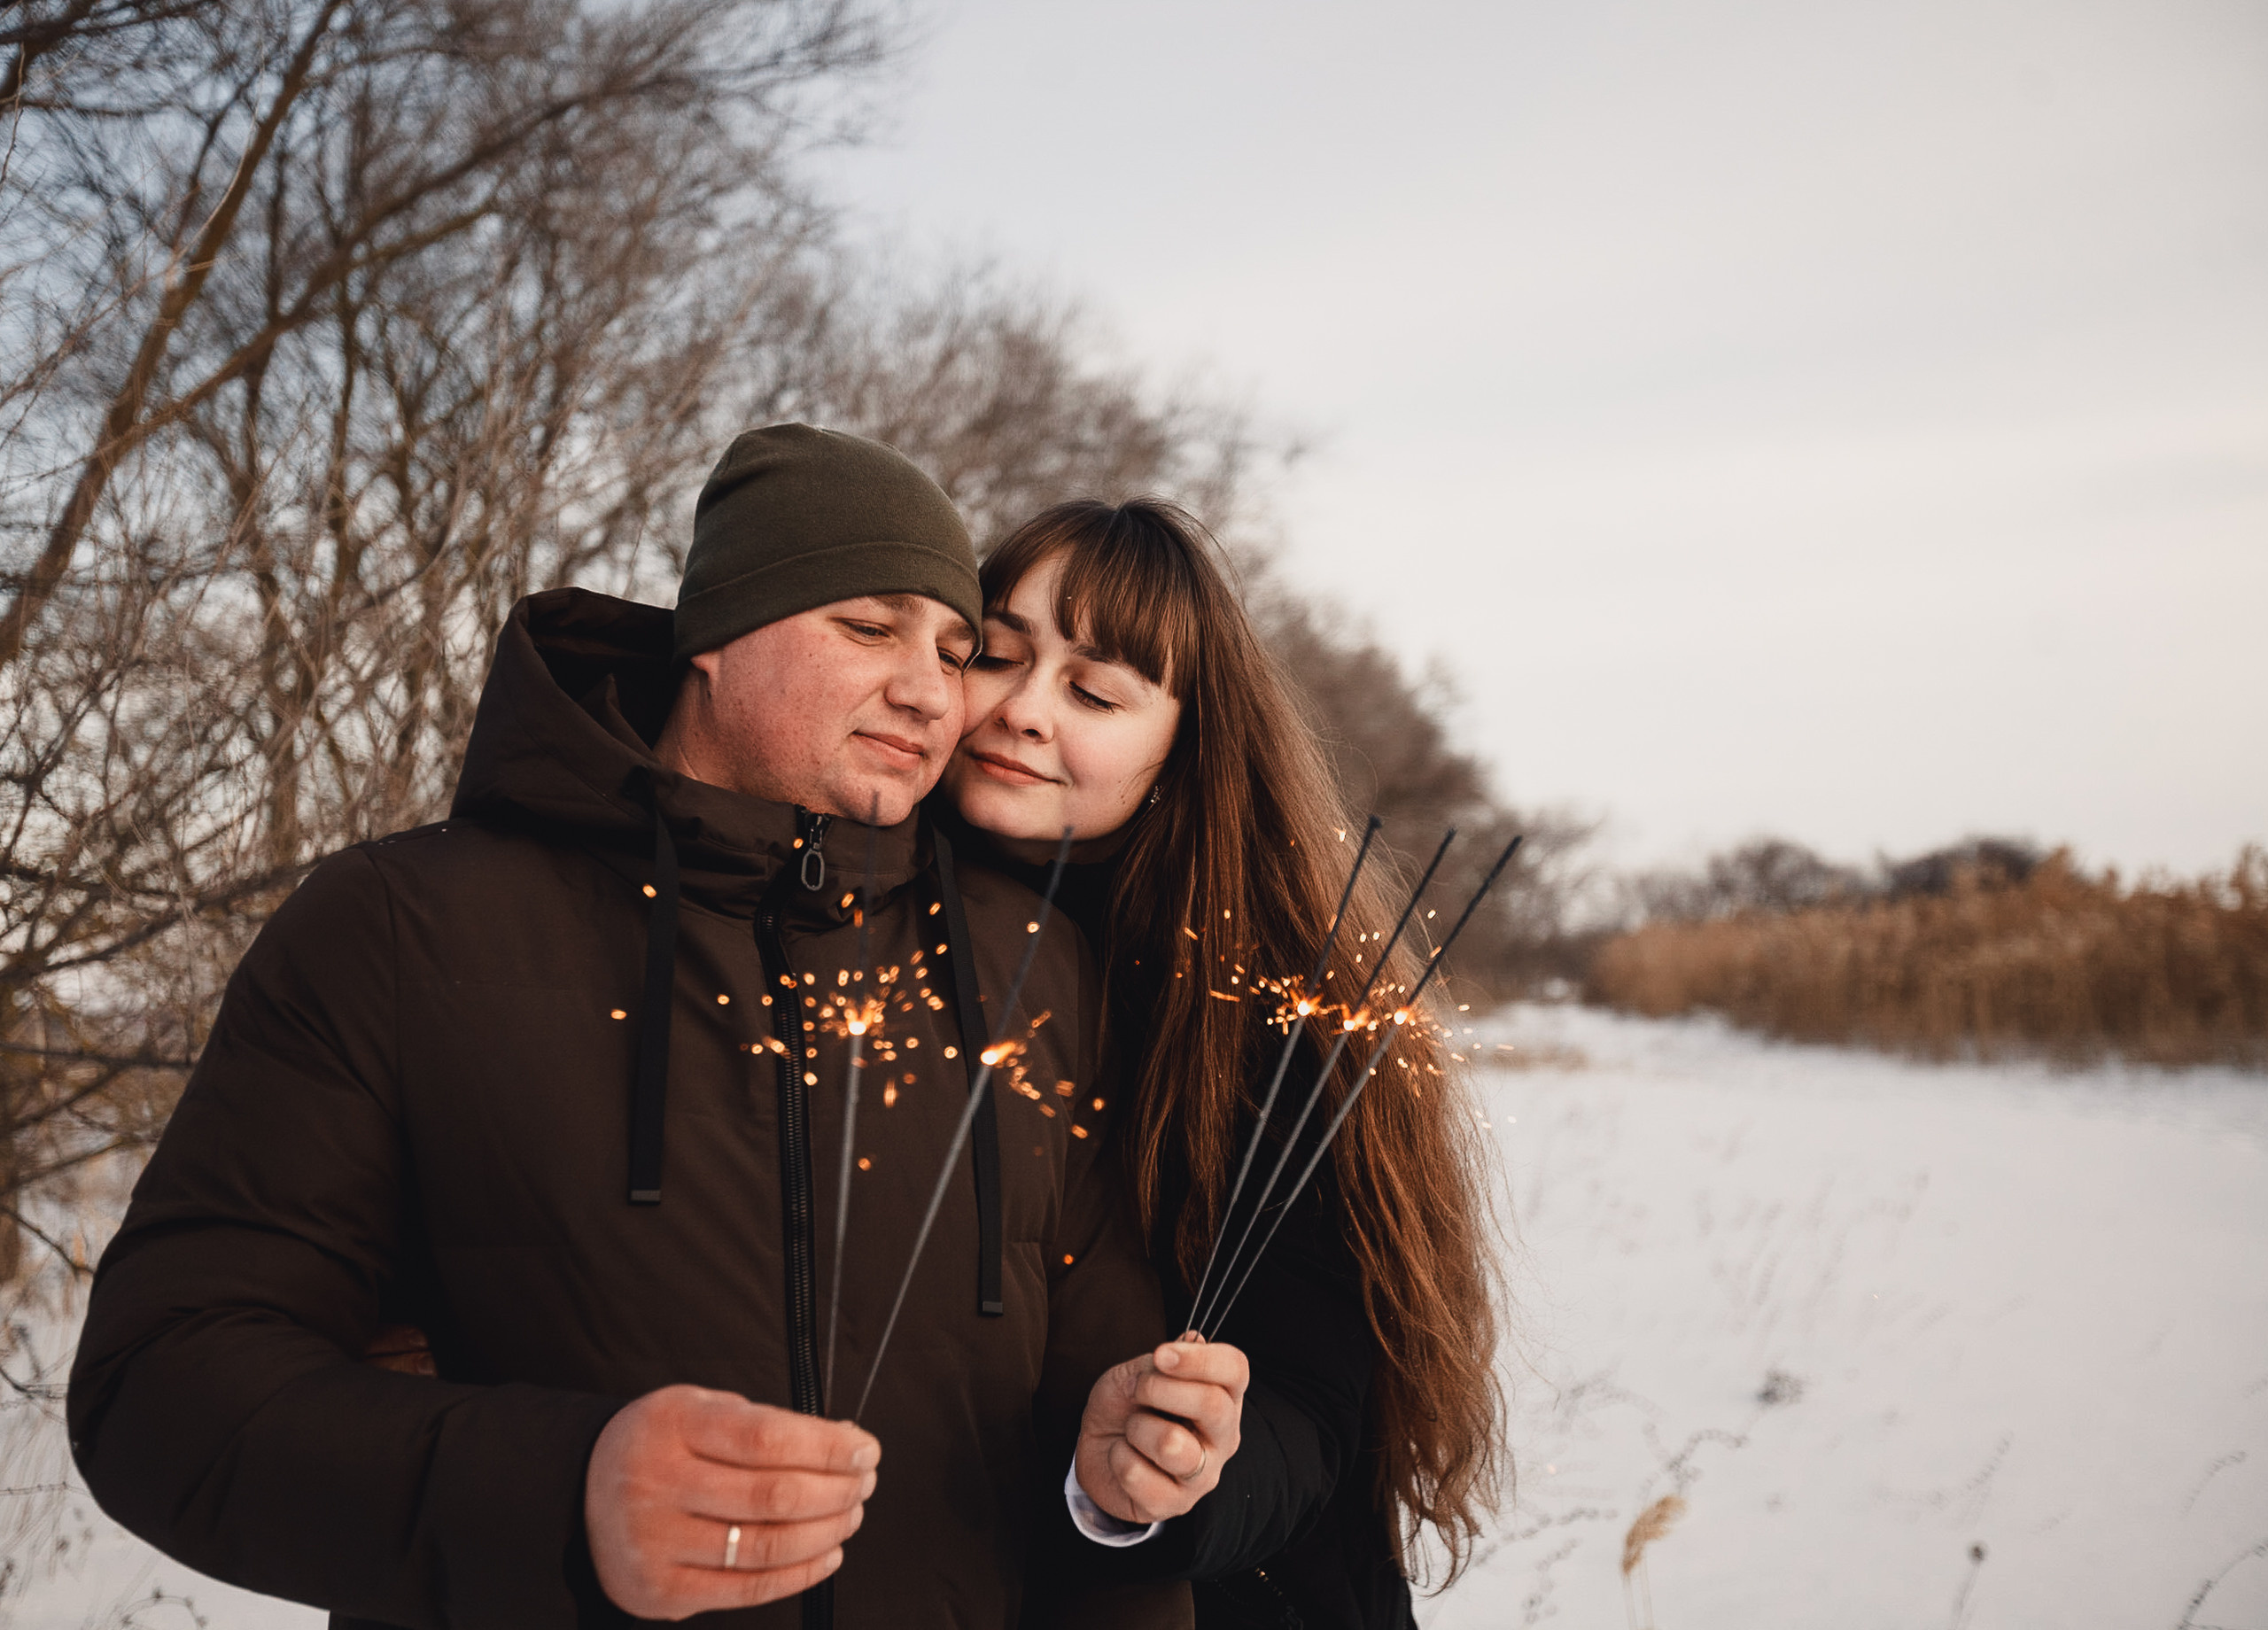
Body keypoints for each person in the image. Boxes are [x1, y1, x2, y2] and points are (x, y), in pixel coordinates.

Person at [66, 428, 1247, 1630]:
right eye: (867, 628)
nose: (932, 693)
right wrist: (561, 1492)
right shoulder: (399, 927)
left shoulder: (1028, 965)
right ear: (717, 635)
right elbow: (160, 1387)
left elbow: (1094, 1425)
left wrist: (1116, 1478)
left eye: (956, 650)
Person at [940, 499, 1507, 1630]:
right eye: (996, 654)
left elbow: (1314, 1401)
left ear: (1181, 747)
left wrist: (1174, 1480)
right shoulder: (857, 923)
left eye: (1094, 693)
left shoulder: (1270, 1008)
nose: (1022, 710)